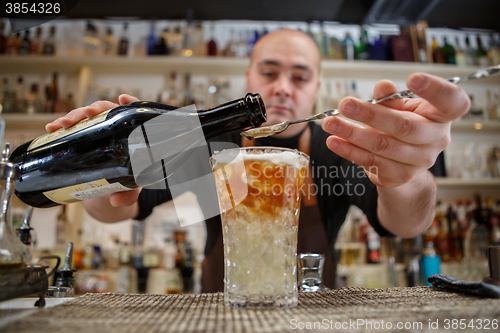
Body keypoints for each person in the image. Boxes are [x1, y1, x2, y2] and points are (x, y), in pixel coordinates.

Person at [46, 29, 470, 291]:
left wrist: (407, 177)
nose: (284, 88)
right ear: (248, 78)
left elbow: (405, 223)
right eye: (269, 73)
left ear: (316, 86)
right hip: (220, 312)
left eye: (300, 76)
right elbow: (116, 212)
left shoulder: (337, 144)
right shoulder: (205, 146)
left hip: (319, 313)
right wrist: (102, 168)